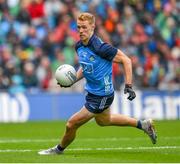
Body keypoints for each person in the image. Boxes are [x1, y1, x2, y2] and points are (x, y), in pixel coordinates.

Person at [38, 12, 157, 155]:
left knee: (71, 124)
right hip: (92, 92)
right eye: (78, 27)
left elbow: (127, 60)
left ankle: (58, 150)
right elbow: (85, 66)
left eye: (84, 27)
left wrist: (129, 85)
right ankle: (143, 125)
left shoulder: (101, 48)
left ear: (92, 27)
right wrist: (73, 79)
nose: (81, 31)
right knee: (104, 121)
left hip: (102, 95)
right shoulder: (79, 46)